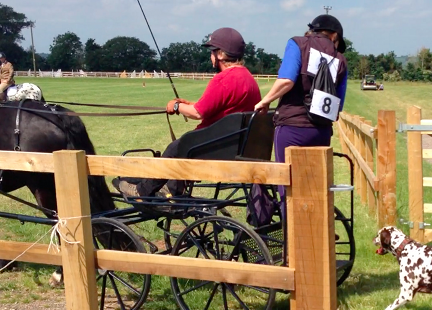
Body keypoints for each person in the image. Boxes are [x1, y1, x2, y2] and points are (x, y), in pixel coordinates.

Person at [113, 27, 261, 198]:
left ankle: (143, 191)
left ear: (220, 54)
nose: (210, 56)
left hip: (217, 145)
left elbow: (198, 113)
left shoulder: (224, 79)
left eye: (212, 51)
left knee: (177, 147)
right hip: (236, 143)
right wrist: (188, 104)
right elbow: (221, 106)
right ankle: (168, 188)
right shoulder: (247, 78)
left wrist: (175, 106)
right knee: (182, 144)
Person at [254, 14, 348, 164]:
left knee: (287, 182)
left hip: (291, 127)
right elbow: (339, 105)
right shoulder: (341, 60)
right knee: (316, 183)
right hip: (321, 131)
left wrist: (265, 101)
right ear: (334, 35)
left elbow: (286, 81)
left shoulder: (297, 44)